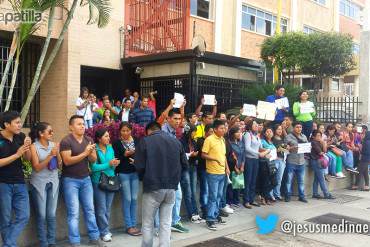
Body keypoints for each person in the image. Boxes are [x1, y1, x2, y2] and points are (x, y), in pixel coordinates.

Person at [135, 121, 188, 247]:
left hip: (152, 187)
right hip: (171, 187)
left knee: (147, 223)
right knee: (166, 222)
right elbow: (185, 164)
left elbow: (139, 166)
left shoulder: (145, 141)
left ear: (149, 131)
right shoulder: (176, 142)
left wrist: (144, 178)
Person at [59, 115, 104, 246]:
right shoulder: (66, 141)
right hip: (70, 180)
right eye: (79, 124)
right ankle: (75, 241)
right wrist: (85, 153)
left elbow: (93, 160)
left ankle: (94, 238)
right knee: (73, 212)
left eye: (83, 124)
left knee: (90, 209)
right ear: (71, 127)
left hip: (86, 179)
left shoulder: (88, 139)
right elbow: (67, 161)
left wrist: (90, 152)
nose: (83, 126)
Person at [0, 111, 32, 247]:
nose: (20, 125)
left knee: (24, 216)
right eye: (17, 122)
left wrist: (27, 147)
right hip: (3, 183)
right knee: (5, 219)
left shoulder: (21, 137)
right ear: (6, 124)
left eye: (20, 122)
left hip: (19, 182)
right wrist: (17, 154)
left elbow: (27, 159)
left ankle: (8, 244)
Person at [29, 122, 61, 247]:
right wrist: (50, 155)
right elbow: (36, 167)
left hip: (53, 182)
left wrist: (57, 155)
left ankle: (52, 242)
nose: (52, 133)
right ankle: (43, 242)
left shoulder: (53, 145)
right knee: (41, 215)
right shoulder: (34, 146)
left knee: (51, 215)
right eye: (49, 131)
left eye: (52, 131)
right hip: (39, 183)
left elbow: (59, 165)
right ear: (41, 134)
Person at [161, 109, 189, 233]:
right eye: (175, 119)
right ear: (168, 119)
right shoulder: (162, 131)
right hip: (164, 171)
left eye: (179, 119)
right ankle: (163, 225)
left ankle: (175, 221)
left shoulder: (175, 132)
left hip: (174, 170)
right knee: (165, 199)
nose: (178, 121)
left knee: (177, 196)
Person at [90, 128, 120, 242]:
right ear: (99, 138)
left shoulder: (110, 148)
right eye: (106, 136)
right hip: (98, 181)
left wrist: (115, 164)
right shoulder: (94, 149)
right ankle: (103, 232)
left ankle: (105, 229)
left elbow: (112, 166)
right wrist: (109, 164)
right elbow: (94, 168)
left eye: (108, 136)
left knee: (107, 208)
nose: (108, 138)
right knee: (101, 209)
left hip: (110, 180)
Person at [112, 122, 141, 236]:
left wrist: (135, 156)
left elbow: (142, 155)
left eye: (127, 130)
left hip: (135, 172)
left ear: (131, 130)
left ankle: (134, 224)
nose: (125, 133)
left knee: (134, 198)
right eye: (123, 131)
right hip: (123, 173)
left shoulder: (137, 141)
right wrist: (125, 154)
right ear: (120, 131)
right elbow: (116, 158)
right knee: (127, 198)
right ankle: (128, 226)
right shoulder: (116, 143)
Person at [201, 119, 229, 230]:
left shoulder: (222, 139)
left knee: (218, 196)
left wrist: (227, 168)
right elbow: (203, 154)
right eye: (221, 128)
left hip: (222, 172)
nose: (224, 130)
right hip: (212, 172)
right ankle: (210, 219)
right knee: (213, 197)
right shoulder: (209, 139)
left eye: (224, 128)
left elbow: (224, 155)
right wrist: (215, 159)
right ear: (215, 129)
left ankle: (216, 215)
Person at [243, 120, 270, 209]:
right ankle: (246, 200)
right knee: (248, 180)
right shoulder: (248, 134)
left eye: (257, 125)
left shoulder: (256, 136)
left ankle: (251, 199)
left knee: (254, 180)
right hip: (249, 159)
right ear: (250, 126)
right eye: (255, 124)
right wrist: (259, 154)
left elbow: (259, 148)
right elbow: (247, 148)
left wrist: (266, 151)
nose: (257, 126)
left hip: (256, 160)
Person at [180, 124, 203, 223]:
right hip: (185, 168)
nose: (195, 133)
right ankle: (191, 214)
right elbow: (181, 155)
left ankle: (196, 212)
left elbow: (197, 153)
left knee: (193, 191)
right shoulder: (181, 141)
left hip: (193, 167)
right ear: (188, 131)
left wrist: (196, 155)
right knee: (188, 191)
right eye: (193, 131)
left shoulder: (194, 141)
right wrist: (191, 154)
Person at [284, 122, 309, 203]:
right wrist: (292, 147)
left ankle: (301, 196)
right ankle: (287, 196)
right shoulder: (288, 137)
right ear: (293, 128)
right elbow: (284, 149)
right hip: (291, 161)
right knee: (289, 180)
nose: (299, 129)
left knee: (301, 181)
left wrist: (308, 147)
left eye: (300, 127)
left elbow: (307, 147)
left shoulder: (304, 136)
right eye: (297, 127)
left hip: (301, 161)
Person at [310, 130, 335, 200]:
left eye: (320, 136)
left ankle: (315, 193)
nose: (319, 137)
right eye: (317, 136)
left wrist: (324, 143)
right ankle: (326, 194)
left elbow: (325, 151)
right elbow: (321, 152)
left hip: (318, 161)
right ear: (313, 136)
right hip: (316, 161)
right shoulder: (313, 142)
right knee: (322, 179)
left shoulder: (319, 142)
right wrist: (323, 146)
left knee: (317, 179)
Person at [196, 124, 213, 219]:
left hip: (212, 169)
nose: (212, 134)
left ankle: (212, 210)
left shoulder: (214, 141)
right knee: (205, 190)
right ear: (206, 132)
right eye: (210, 132)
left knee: (211, 191)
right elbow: (205, 154)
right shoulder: (201, 140)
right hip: (203, 169)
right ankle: (205, 211)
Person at [227, 126, 245, 207]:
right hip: (232, 167)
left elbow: (243, 154)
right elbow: (230, 157)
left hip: (240, 166)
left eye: (240, 132)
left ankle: (236, 201)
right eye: (237, 132)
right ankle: (230, 202)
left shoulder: (241, 142)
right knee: (231, 186)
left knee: (238, 185)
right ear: (232, 133)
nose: (239, 133)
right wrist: (236, 168)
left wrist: (242, 166)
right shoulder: (229, 143)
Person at [272, 124, 287, 201]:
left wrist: (287, 149)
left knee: (279, 179)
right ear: (275, 130)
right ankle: (271, 195)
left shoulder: (282, 139)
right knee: (273, 178)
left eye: (281, 129)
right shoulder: (272, 139)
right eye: (278, 129)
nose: (280, 131)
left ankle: (277, 194)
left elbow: (284, 150)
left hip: (282, 160)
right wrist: (281, 148)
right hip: (275, 160)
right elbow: (274, 150)